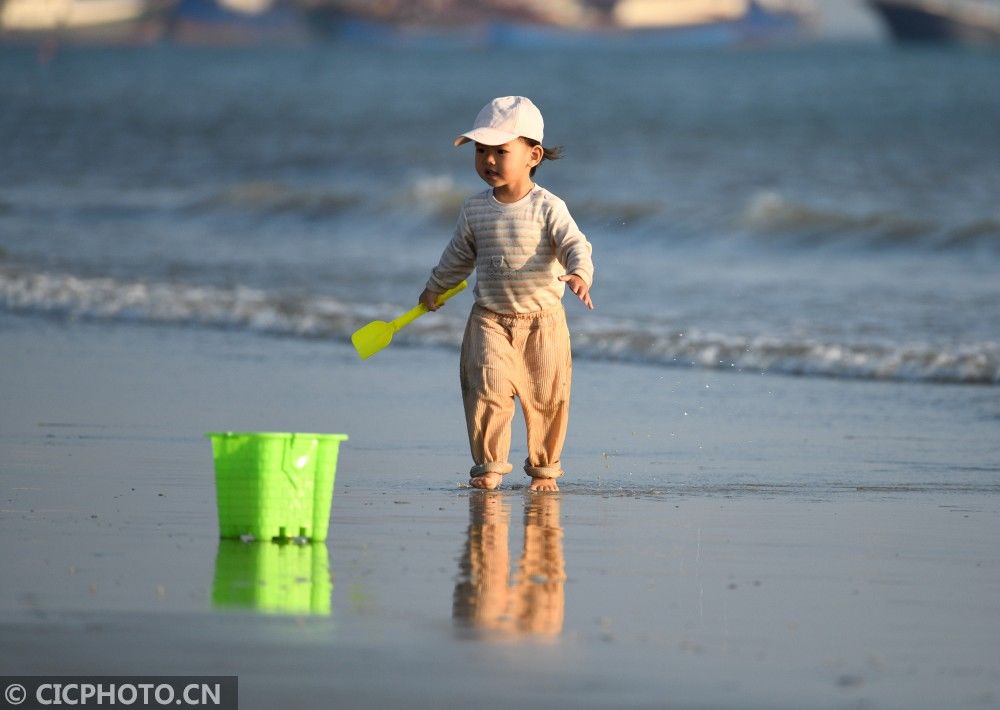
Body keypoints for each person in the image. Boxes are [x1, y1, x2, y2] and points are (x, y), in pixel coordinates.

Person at [419, 96, 595, 493]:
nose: (489, 160)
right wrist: (436, 286)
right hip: (490, 318)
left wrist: (580, 273)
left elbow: (575, 244)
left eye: (501, 151)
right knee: (487, 390)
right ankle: (489, 466)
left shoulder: (548, 207)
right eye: (481, 151)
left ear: (533, 155)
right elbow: (458, 255)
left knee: (548, 398)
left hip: (543, 321)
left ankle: (545, 470)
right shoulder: (474, 209)